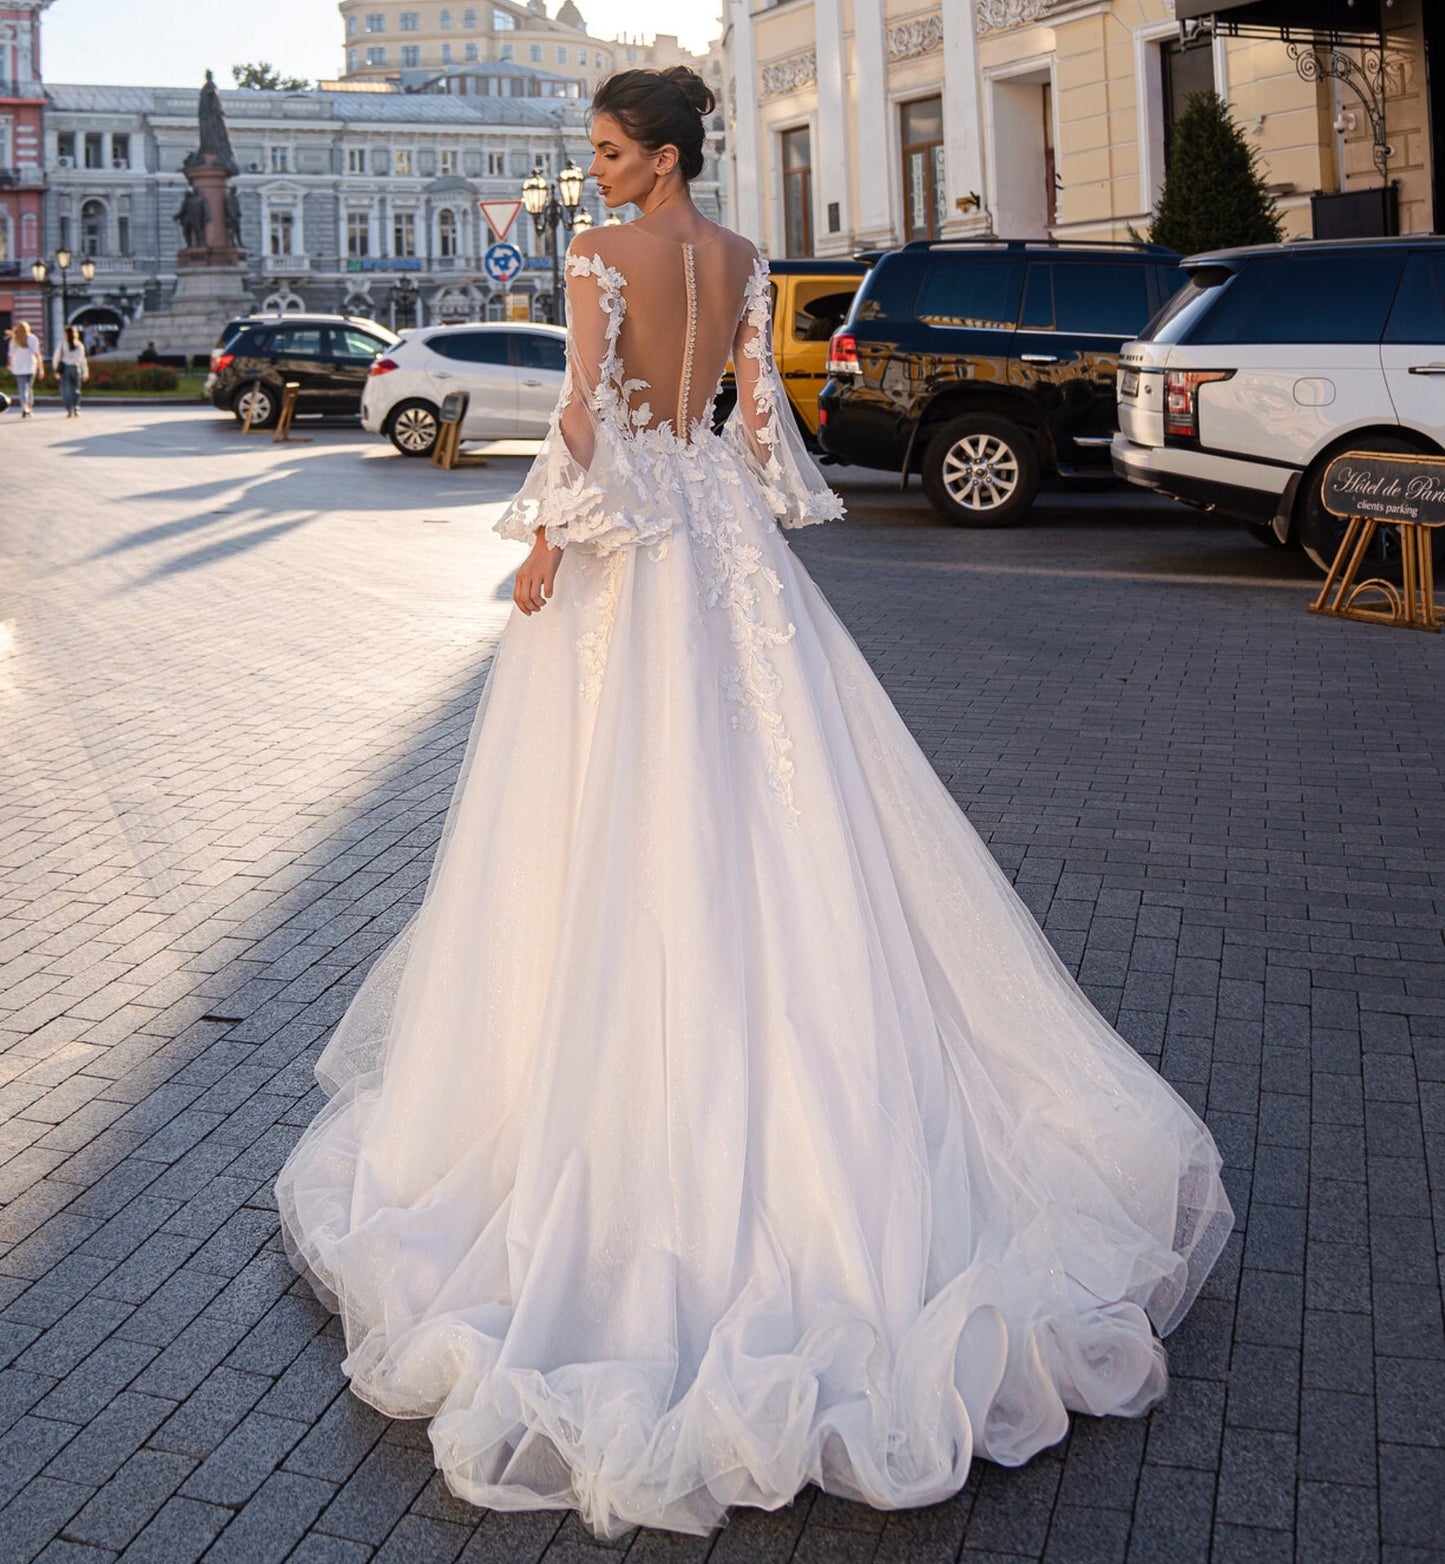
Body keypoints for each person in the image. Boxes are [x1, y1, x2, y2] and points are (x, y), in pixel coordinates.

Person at [276, 67, 1232, 1542]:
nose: (590, 177)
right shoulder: (741, 260)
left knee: (603, 814)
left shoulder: (602, 258)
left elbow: (590, 421)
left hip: (633, 552)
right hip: (722, 550)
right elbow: (753, 429)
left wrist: (544, 547)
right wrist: (725, 498)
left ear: (660, 160)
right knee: (782, 804)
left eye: (607, 153)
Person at [6, 322, 44, 418]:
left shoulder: (15, 339)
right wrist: (41, 368)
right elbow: (37, 354)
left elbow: (10, 354)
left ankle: (24, 407)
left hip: (18, 366)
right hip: (31, 366)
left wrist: (10, 365)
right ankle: (29, 408)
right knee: (29, 388)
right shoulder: (33, 338)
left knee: (22, 388)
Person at [53, 325, 90, 418]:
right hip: (76, 368)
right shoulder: (79, 345)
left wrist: (55, 369)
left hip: (65, 368)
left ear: (66, 334)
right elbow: (83, 360)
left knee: (66, 390)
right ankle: (76, 407)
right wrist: (85, 372)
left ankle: (69, 409)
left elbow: (56, 357)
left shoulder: (62, 344)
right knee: (76, 389)